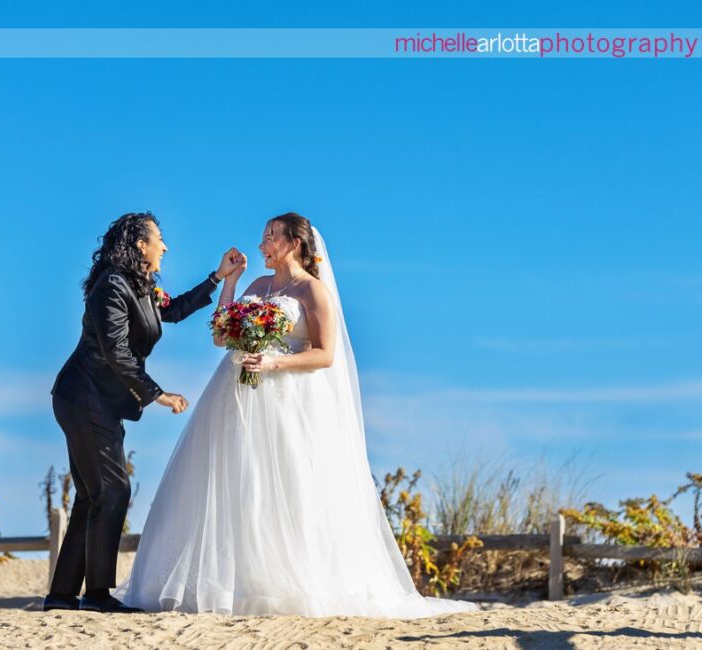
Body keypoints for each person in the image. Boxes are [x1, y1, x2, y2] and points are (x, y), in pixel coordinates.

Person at [115, 213, 478, 618]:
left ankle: (278, 582)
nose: (262, 245)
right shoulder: (256, 286)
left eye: (270, 237)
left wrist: (272, 364)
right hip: (235, 394)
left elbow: (325, 354)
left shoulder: (313, 291)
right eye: (263, 237)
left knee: (281, 483)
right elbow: (221, 337)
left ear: (294, 243)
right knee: (234, 481)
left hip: (287, 399)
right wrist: (230, 284)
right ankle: (228, 581)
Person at [44, 212, 245, 613]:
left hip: (97, 400)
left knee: (92, 496)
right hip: (83, 398)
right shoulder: (112, 287)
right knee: (114, 490)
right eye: (159, 240)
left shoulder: (141, 285)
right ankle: (98, 595)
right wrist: (158, 394)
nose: (164, 247)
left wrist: (218, 277)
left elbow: (172, 311)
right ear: (140, 245)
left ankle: (62, 596)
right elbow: (115, 350)